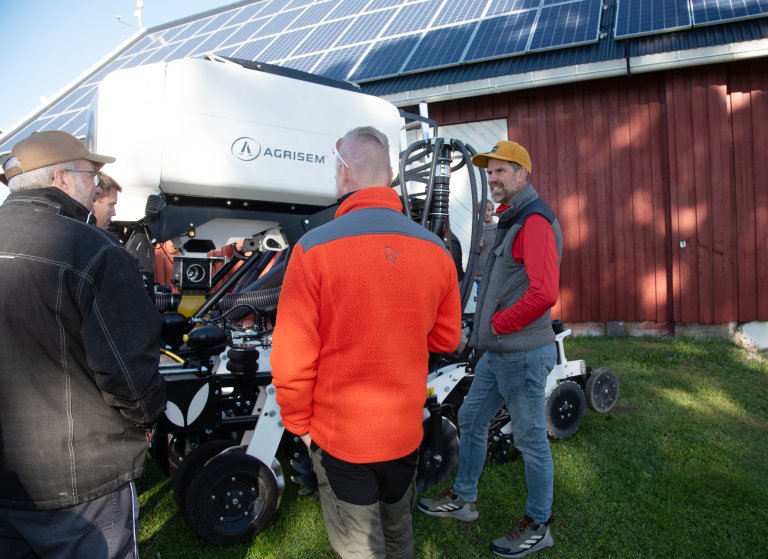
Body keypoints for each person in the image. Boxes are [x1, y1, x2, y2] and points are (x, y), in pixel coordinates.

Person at [271, 126, 462, 559]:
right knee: (398, 532)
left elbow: (292, 356)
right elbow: (447, 337)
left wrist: (298, 425)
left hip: (342, 438)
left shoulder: (313, 250)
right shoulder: (435, 250)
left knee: (362, 547)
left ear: (344, 175)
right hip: (403, 431)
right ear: (390, 176)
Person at [0, 130, 166, 558]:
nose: (96, 184)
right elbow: (128, 371)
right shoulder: (91, 249)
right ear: (61, 178)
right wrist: (145, 420)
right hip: (81, 479)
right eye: (91, 173)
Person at [418, 140, 563, 559]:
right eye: (490, 171)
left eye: (502, 170)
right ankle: (464, 499)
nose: (494, 178)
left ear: (523, 175)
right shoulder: (511, 219)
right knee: (471, 416)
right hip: (498, 354)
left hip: (520, 353)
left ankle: (539, 525)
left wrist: (498, 323)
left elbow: (544, 292)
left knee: (531, 439)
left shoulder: (533, 221)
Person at [475, 199, 497, 295]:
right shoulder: (478, 230)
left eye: (489, 210)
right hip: (480, 274)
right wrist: (477, 247)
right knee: (480, 301)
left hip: (494, 273)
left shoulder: (498, 228)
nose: (487, 213)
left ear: (492, 211)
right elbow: (474, 254)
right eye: (483, 211)